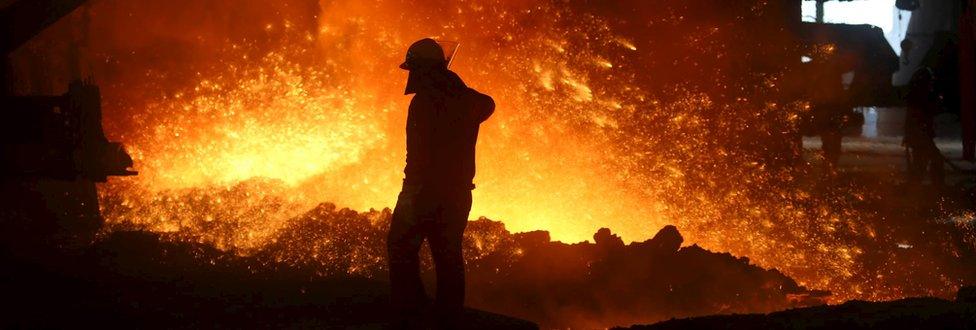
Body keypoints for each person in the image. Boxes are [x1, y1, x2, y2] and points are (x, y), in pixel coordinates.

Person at [386, 38, 494, 329]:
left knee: (400, 248)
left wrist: (410, 195)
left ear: (421, 69)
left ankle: (412, 313)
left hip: (423, 192)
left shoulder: (422, 103)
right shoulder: (466, 100)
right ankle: (449, 318)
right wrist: (455, 85)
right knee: (448, 256)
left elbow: (417, 155)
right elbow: (488, 104)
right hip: (458, 195)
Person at [903, 67, 945, 187]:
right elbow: (921, 117)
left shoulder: (917, 97)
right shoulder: (920, 98)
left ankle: (915, 189)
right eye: (930, 81)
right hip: (920, 137)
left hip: (919, 137)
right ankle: (936, 187)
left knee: (921, 164)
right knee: (934, 160)